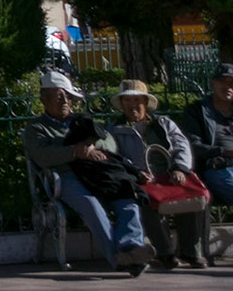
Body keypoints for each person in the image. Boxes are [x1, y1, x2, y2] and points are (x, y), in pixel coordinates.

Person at [24, 69, 155, 271]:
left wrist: (92, 146)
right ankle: (122, 261)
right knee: (92, 207)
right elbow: (42, 156)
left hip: (99, 174)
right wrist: (76, 152)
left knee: (128, 197)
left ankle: (130, 247)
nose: (65, 100)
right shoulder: (37, 128)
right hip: (67, 175)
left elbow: (110, 143)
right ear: (43, 98)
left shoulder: (82, 121)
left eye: (68, 96)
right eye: (59, 96)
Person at [110, 78, 208, 270]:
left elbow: (181, 145)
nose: (133, 105)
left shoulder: (163, 123)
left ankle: (191, 252)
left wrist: (180, 168)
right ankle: (165, 253)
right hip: (141, 180)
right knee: (144, 201)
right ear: (121, 104)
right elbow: (115, 158)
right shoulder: (114, 130)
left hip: (170, 176)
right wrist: (136, 173)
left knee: (194, 196)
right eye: (127, 101)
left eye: (138, 100)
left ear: (146, 103)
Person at [179, 62, 233, 208]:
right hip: (218, 167)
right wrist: (223, 152)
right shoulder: (197, 111)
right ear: (213, 84)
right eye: (223, 82)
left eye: (232, 83)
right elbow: (193, 146)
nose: (228, 87)